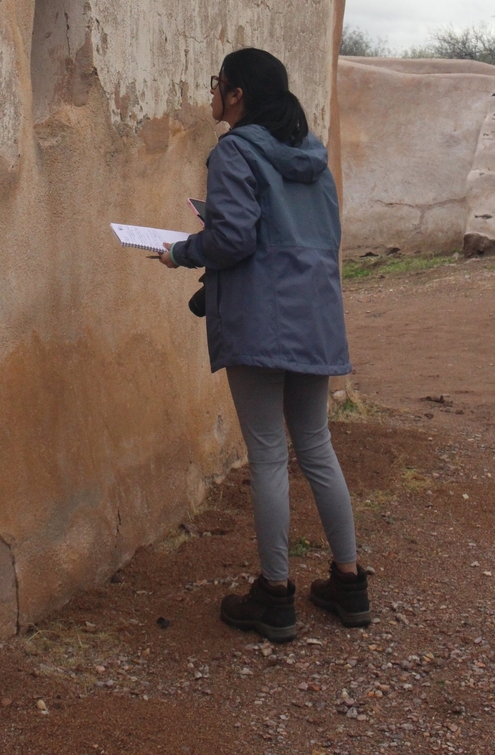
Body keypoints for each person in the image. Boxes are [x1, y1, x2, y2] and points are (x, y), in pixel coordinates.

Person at [158, 47, 370, 642]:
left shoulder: (233, 152)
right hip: (315, 316)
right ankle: (349, 583)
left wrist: (181, 252)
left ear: (237, 95)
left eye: (217, 84)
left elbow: (231, 239)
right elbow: (316, 235)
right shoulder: (313, 157)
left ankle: (276, 596)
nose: (212, 94)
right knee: (317, 447)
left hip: (259, 321)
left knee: (271, 454)